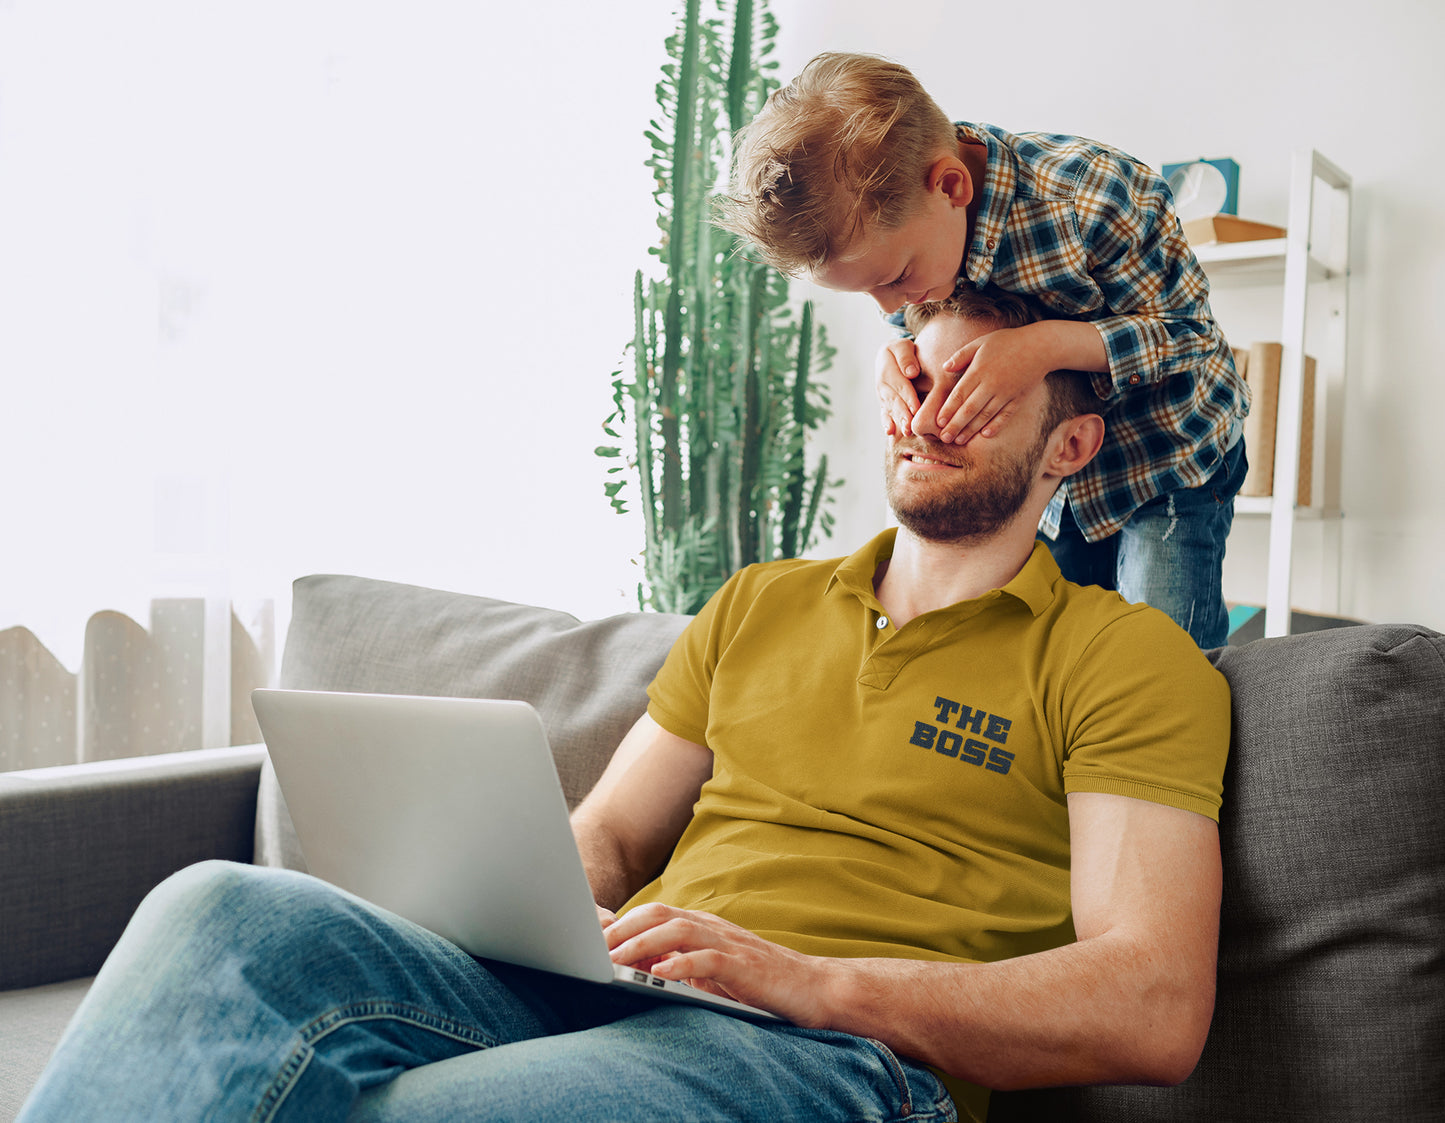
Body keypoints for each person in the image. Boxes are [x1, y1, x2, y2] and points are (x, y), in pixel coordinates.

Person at [19, 290, 1230, 1123]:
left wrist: (809, 980)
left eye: (974, 390)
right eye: (916, 373)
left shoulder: (1123, 658)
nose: (926, 408)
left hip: (827, 1059)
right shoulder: (761, 603)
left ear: (1067, 447)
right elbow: (605, 840)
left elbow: (1151, 1003)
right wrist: (493, 911)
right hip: (616, 986)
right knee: (222, 908)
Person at [713, 52, 1250, 649]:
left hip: (1169, 457)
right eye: (864, 289)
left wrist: (1043, 347)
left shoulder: (1095, 198)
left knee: (1164, 646)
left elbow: (1190, 338)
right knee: (1060, 653)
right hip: (1053, 481)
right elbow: (906, 318)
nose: (886, 304)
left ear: (951, 185)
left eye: (894, 277)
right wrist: (898, 356)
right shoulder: (912, 236)